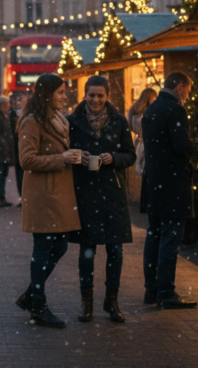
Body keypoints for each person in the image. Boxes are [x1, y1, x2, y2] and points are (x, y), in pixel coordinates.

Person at [66, 76, 136, 323]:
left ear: (107, 97)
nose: (95, 100)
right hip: (85, 194)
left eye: (100, 95)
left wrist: (114, 158)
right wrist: (78, 157)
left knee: (115, 250)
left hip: (113, 195)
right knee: (87, 251)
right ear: (84, 95)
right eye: (91, 95)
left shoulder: (119, 122)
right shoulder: (72, 122)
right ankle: (87, 302)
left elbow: (130, 155)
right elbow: (62, 154)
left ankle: (112, 300)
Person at [15, 73, 81, 329]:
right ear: (47, 94)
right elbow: (27, 160)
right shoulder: (32, 122)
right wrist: (62, 159)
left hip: (59, 194)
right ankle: (38, 305)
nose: (65, 97)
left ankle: (31, 296)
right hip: (43, 194)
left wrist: (76, 157)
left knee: (61, 246)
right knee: (42, 250)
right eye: (61, 92)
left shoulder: (57, 120)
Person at [141, 72, 198, 309]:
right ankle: (167, 293)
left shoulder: (151, 110)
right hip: (173, 185)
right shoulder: (175, 109)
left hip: (154, 184)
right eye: (188, 91)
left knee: (154, 236)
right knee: (170, 239)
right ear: (180, 87)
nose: (188, 96)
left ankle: (151, 290)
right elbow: (182, 147)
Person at [127, 88, 157, 177]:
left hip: (137, 142)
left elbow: (129, 127)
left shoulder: (134, 109)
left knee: (138, 170)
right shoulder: (150, 112)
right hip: (149, 144)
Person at [9, 92, 28, 203]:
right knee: (20, 172)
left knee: (25, 172)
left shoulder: (28, 113)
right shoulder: (13, 114)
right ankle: (22, 196)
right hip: (17, 148)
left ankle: (25, 196)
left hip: (24, 147)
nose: (19, 102)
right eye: (18, 99)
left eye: (21, 99)